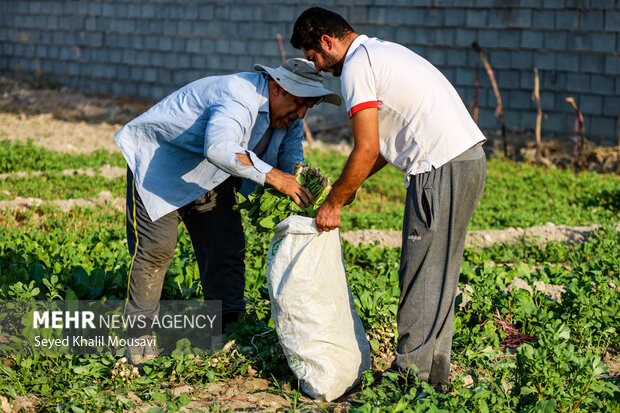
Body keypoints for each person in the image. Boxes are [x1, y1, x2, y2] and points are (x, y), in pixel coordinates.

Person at [291, 7, 487, 385]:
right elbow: (380, 148)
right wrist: (348, 187)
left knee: (419, 272)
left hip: (439, 167)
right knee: (439, 271)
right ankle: (434, 377)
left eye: (313, 56)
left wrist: (332, 205)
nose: (316, 67)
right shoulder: (379, 53)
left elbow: (364, 148)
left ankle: (407, 376)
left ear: (328, 43)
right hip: (467, 159)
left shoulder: (355, 69)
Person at [114, 58, 341, 365]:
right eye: (300, 104)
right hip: (160, 166)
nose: (301, 114)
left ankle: (227, 327)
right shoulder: (238, 95)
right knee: (156, 251)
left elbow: (291, 165)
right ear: (277, 88)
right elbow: (219, 147)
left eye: (308, 108)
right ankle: (138, 337)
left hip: (211, 175)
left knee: (225, 245)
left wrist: (318, 194)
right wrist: (274, 177)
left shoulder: (290, 119)